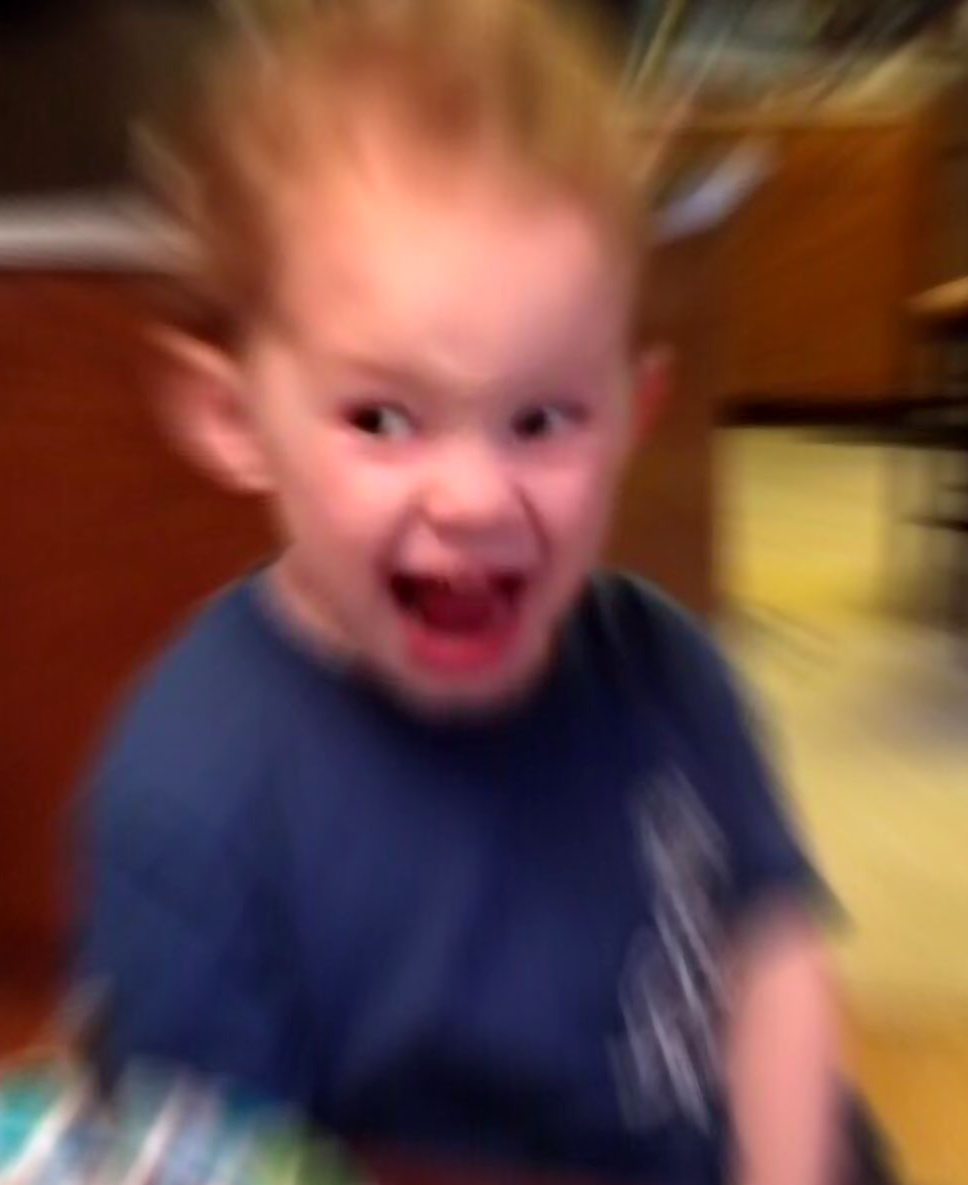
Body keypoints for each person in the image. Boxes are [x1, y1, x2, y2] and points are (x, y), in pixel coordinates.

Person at [73, 2, 849, 1183]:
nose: (476, 498)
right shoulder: (191, 793)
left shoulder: (670, 672)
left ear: (631, 416)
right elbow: (208, 1158)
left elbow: (775, 954)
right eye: (383, 419)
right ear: (233, 417)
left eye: (543, 419)